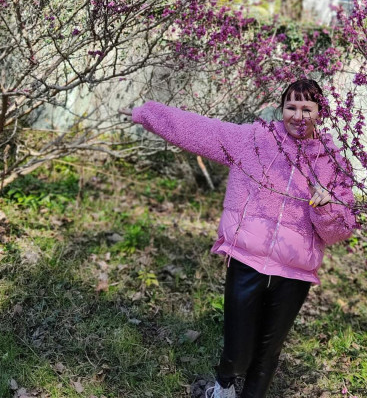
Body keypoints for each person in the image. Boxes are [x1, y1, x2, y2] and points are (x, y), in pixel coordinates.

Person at [120, 78, 354, 398]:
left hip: (294, 272)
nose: (298, 115)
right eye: (291, 107)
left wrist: (326, 208)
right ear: (281, 108)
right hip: (247, 259)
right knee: (238, 349)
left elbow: (340, 231)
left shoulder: (334, 162)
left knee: (267, 353)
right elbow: (199, 129)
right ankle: (225, 385)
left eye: (307, 108)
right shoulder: (254, 140)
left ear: (321, 113)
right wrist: (147, 113)